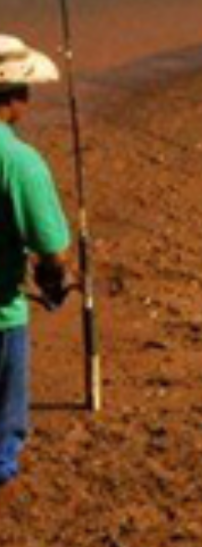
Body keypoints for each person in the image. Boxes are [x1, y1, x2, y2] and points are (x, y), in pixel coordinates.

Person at [0, 35, 71, 489]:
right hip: (2, 322)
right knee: (3, 441)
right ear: (10, 99)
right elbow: (53, 255)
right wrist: (56, 282)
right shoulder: (21, 163)